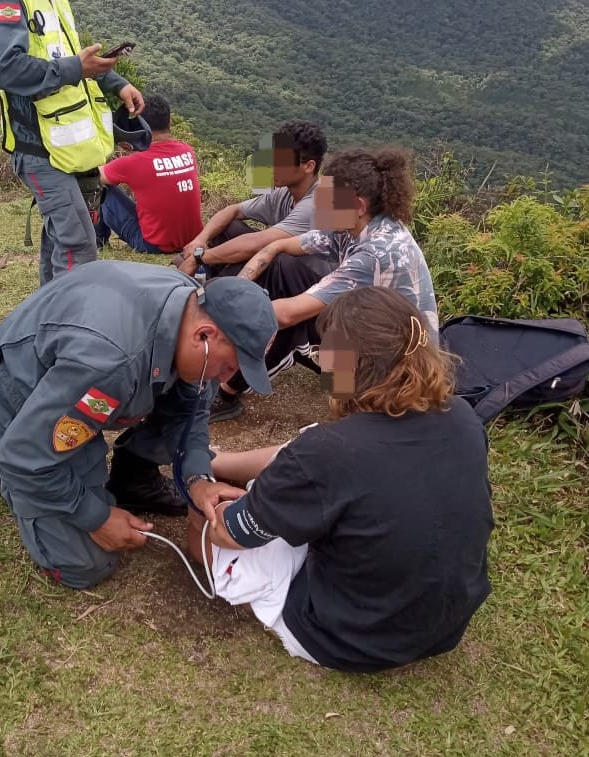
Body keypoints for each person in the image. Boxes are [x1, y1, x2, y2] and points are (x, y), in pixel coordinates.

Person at [188, 287, 494, 672]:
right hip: (445, 627)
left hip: (347, 639)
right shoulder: (463, 417)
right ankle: (224, 460)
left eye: (324, 353)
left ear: (348, 363)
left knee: (203, 524)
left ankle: (264, 595)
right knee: (309, 467)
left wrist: (199, 486)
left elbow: (227, 533)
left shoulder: (327, 451)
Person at [0, 261, 278, 590]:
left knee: (179, 389)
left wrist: (197, 477)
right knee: (87, 563)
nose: (227, 379)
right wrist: (96, 518)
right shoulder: (109, 364)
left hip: (70, 385)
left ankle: (131, 478)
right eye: (229, 366)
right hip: (9, 399)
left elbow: (191, 411)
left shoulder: (192, 310)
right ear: (204, 335)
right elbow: (24, 455)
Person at [0, 0, 144, 284]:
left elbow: (69, 58)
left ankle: (46, 326)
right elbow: (5, 69)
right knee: (79, 248)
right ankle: (73, 333)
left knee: (61, 241)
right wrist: (76, 68)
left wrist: (116, 83)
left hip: (65, 147)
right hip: (37, 149)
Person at [209, 146, 438, 422]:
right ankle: (340, 395)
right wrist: (253, 270)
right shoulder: (355, 225)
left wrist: (223, 312)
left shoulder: (377, 253)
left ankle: (229, 390)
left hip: (401, 364)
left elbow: (286, 313)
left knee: (296, 322)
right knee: (288, 271)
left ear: (358, 205)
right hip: (374, 329)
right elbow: (285, 244)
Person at [176, 120, 329, 278]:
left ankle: (213, 285)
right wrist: (201, 239)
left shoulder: (317, 202)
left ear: (309, 166)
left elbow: (258, 242)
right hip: (285, 270)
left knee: (273, 257)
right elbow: (233, 210)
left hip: (313, 283)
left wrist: (199, 258)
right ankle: (205, 279)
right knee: (231, 227)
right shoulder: (284, 193)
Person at [95, 95, 203, 254]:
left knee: (103, 189)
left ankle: (99, 241)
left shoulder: (135, 161)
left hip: (153, 245)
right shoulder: (187, 150)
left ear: (141, 125)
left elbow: (93, 176)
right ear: (169, 122)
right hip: (192, 240)